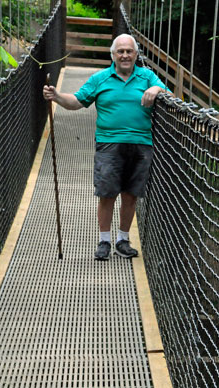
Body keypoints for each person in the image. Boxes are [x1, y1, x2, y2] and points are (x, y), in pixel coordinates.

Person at [43, 33, 168, 261]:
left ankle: (122, 240)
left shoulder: (147, 77)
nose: (125, 55)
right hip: (109, 145)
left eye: (129, 51)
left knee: (131, 196)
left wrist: (157, 90)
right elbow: (77, 101)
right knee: (107, 194)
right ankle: (104, 241)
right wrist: (57, 97)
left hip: (141, 144)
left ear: (136, 54)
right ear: (112, 55)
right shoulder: (100, 79)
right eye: (120, 51)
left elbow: (170, 96)